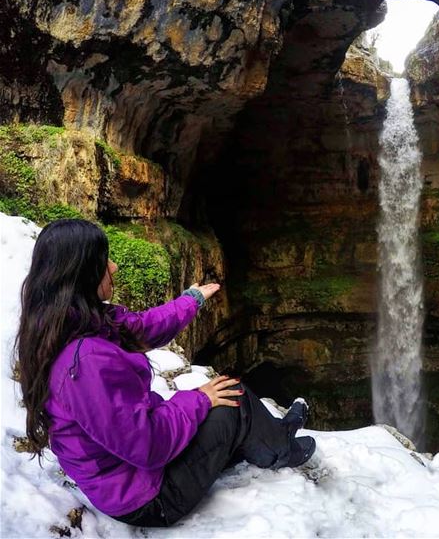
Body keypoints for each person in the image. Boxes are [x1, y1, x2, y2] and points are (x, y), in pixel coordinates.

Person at [14, 219, 316, 527]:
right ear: (82, 273)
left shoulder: (69, 322)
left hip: (124, 473)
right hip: (147, 498)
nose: (114, 267)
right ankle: (280, 450)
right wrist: (198, 399)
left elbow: (143, 328)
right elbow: (146, 445)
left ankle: (270, 435)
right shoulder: (85, 362)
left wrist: (190, 301)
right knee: (231, 396)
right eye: (104, 261)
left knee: (213, 401)